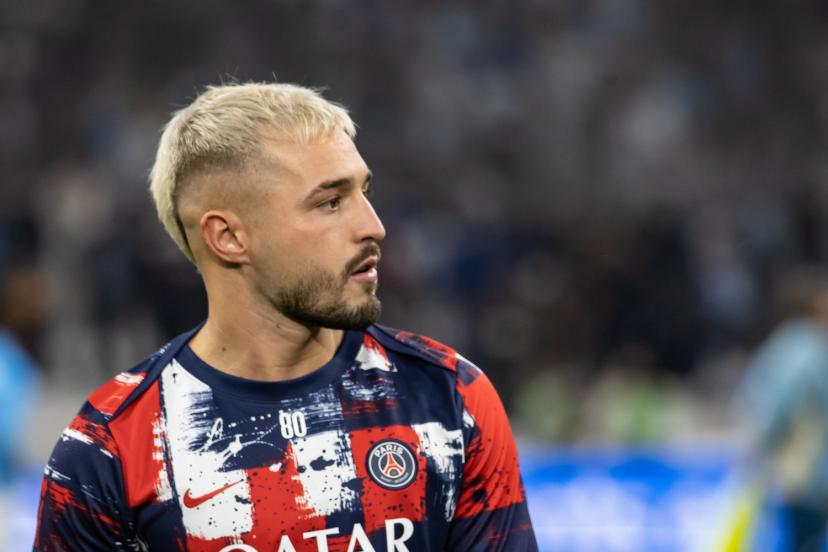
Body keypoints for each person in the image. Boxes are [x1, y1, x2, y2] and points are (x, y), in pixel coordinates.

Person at [34, 82, 537, 551]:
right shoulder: (111, 447)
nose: (374, 226)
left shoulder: (449, 398)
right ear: (229, 238)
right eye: (330, 202)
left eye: (364, 192)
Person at [737, 267, 828, 551]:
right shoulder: (806, 349)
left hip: (790, 473)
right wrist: (767, 447)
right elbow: (779, 411)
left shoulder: (780, 345)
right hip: (804, 473)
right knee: (803, 541)